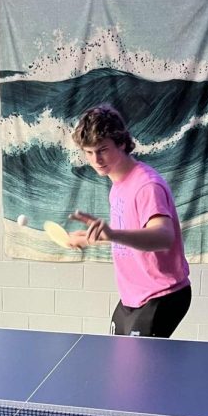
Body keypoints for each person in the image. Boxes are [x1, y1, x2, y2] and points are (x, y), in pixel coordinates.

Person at [69, 105, 191, 338]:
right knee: (121, 362)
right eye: (89, 152)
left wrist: (113, 234)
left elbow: (164, 237)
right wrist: (89, 237)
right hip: (133, 295)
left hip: (162, 294)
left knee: (139, 372)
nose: (96, 159)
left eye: (102, 149)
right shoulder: (118, 185)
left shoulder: (146, 185)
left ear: (122, 143)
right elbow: (130, 234)